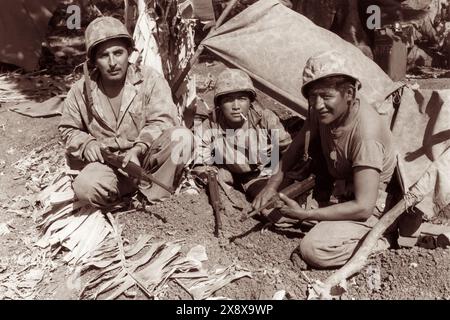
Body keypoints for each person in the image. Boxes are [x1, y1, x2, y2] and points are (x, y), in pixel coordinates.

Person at [253, 51, 399, 269]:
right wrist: (272, 185)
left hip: (368, 207)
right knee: (270, 207)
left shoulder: (366, 135)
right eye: (312, 97)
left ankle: (380, 238)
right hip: (338, 191)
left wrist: (304, 214)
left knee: (313, 250)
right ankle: (323, 220)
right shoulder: (322, 112)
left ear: (349, 93)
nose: (318, 104)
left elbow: (363, 206)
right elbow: (294, 149)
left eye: (325, 96)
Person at [59, 16, 193, 208]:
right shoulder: (80, 91)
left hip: (146, 162)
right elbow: (67, 129)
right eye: (104, 56)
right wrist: (87, 143)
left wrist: (138, 149)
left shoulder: (150, 80)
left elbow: (163, 120)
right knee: (85, 188)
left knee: (182, 137)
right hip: (109, 165)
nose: (113, 62)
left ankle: (155, 198)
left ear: (129, 52)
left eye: (118, 53)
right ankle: (123, 197)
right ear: (94, 61)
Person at [193, 68, 292, 200]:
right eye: (228, 100)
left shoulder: (265, 118)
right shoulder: (210, 125)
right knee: (267, 205)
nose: (236, 106)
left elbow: (290, 150)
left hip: (276, 172)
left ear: (250, 101)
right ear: (220, 104)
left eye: (242, 99)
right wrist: (214, 174)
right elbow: (199, 162)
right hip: (252, 179)